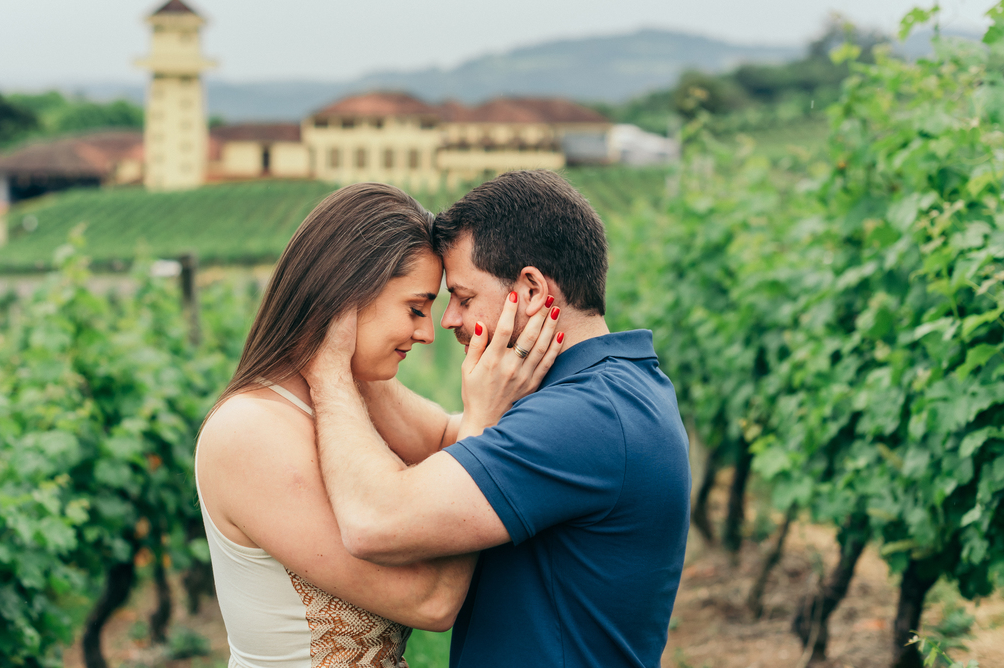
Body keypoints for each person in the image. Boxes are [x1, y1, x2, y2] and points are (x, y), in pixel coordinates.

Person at [304, 170, 692, 668]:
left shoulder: (586, 417)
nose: (449, 320)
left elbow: (374, 522)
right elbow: (446, 441)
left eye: (463, 298)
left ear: (530, 290)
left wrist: (329, 372)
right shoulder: (607, 390)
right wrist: (357, 342)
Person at [194, 182, 564, 668]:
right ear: (344, 297)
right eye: (415, 308)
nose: (428, 332)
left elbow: (444, 443)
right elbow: (430, 600)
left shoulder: (348, 392)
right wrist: (483, 421)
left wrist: (535, 403)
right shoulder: (250, 432)